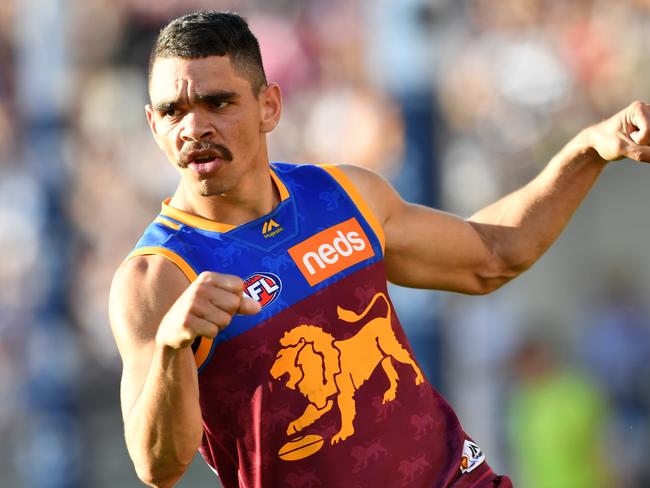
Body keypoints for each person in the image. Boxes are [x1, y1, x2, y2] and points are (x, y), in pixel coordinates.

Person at [108, 10, 650, 488]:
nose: (194, 127)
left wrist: (587, 150)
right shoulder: (157, 278)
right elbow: (158, 466)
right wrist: (173, 350)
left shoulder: (342, 195)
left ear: (269, 106)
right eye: (173, 111)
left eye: (218, 102)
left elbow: (493, 255)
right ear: (153, 125)